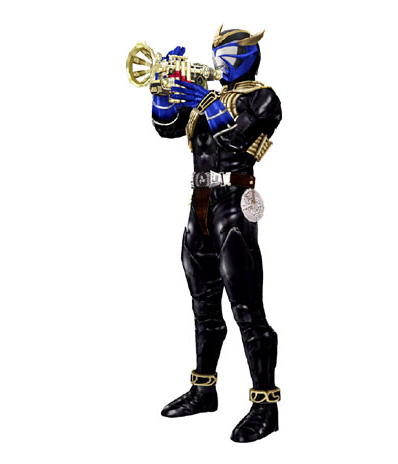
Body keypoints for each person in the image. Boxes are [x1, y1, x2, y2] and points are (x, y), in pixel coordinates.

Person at [150, 25, 282, 443]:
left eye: (225, 56)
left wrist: (202, 100)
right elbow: (168, 128)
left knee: (247, 307)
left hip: (234, 204)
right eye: (215, 55)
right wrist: (161, 92)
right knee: (203, 305)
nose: (217, 63)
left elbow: (239, 135)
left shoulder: (262, 97)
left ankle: (266, 405)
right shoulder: (210, 99)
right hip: (200, 203)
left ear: (246, 57)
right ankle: (204, 390)